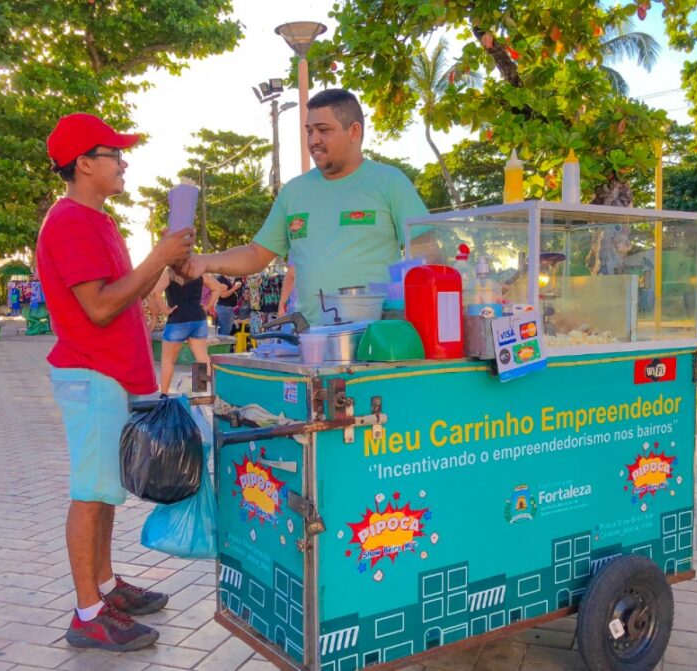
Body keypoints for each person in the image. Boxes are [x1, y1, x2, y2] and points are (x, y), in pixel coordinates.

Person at [36, 112, 195, 652]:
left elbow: (118, 293)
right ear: (84, 164)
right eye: (114, 154)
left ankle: (104, 586)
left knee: (104, 490)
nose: (124, 162)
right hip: (90, 371)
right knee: (91, 491)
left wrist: (162, 266)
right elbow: (99, 306)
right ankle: (87, 613)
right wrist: (159, 255)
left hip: (108, 374)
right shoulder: (70, 223)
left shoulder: (96, 220)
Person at [182, 89, 428, 325]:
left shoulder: (389, 182)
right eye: (309, 131)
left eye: (323, 130)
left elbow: (428, 249)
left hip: (379, 340)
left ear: (354, 132)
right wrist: (204, 261)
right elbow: (256, 254)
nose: (313, 140)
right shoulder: (294, 191)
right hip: (312, 339)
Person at [149, 267, 222, 395]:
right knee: (202, 358)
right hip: (198, 318)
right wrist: (208, 306)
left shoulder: (170, 273)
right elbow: (217, 287)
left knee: (168, 360)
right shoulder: (197, 271)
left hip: (177, 319)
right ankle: (202, 394)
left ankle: (164, 395)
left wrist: (166, 311)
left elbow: (156, 292)